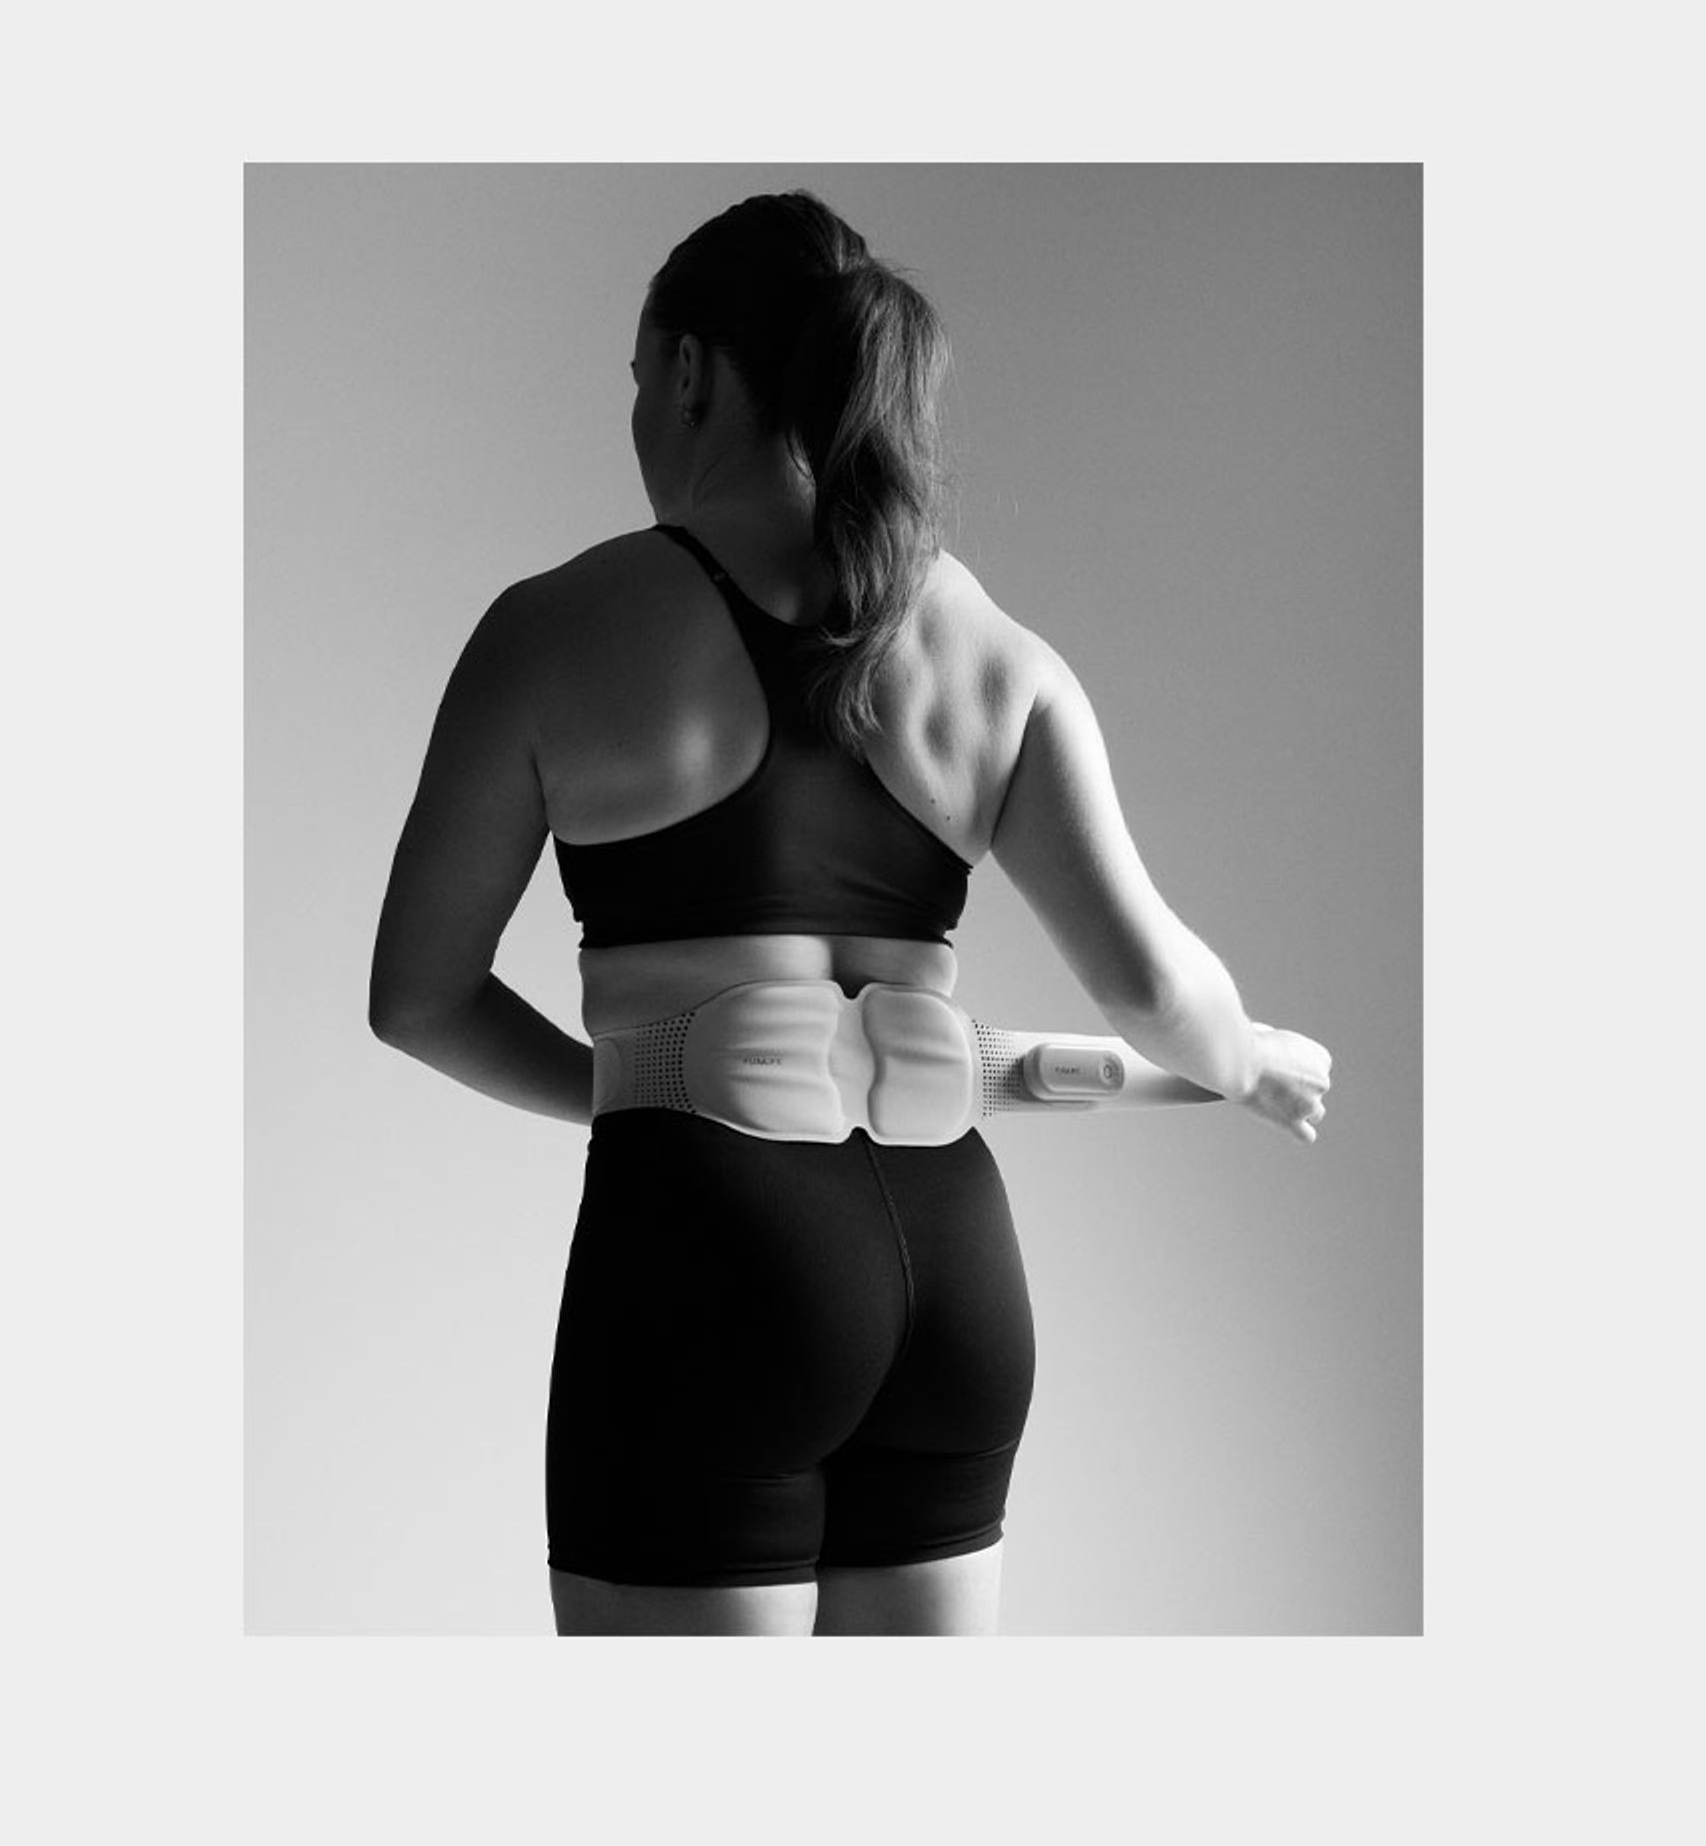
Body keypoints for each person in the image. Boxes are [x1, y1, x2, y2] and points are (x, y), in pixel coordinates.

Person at [369, 190, 1332, 1636]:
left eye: (636, 380)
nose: (635, 421)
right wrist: (1243, 1060)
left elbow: (416, 996)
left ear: (690, 372)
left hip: (709, 1258)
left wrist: (644, 1085)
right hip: (956, 1276)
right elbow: (1154, 993)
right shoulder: (986, 645)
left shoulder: (557, 627)